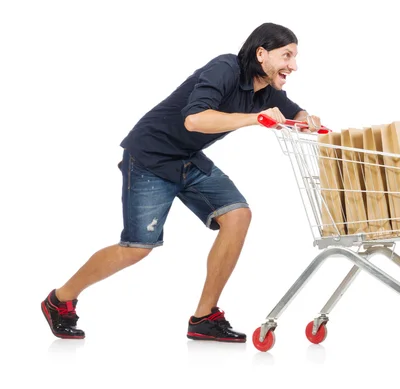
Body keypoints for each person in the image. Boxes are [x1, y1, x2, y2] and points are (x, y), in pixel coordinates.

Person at [41, 22, 322, 343]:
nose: (293, 65)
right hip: (150, 155)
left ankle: (204, 318)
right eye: (287, 55)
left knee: (238, 216)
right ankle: (59, 300)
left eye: (295, 57)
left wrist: (306, 120)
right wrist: (254, 119)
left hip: (186, 157)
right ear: (261, 54)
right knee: (137, 249)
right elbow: (195, 118)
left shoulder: (266, 90)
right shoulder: (225, 68)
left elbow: (293, 111)